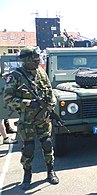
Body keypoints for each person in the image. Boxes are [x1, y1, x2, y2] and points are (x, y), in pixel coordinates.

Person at [3, 46, 59, 190]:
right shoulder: (15, 76)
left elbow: (50, 92)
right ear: (26, 60)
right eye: (34, 60)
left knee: (47, 144)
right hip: (27, 120)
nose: (38, 62)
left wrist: (50, 109)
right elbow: (8, 99)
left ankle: (50, 171)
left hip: (43, 118)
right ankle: (27, 176)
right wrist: (27, 103)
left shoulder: (41, 72)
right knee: (28, 148)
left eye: (38, 59)